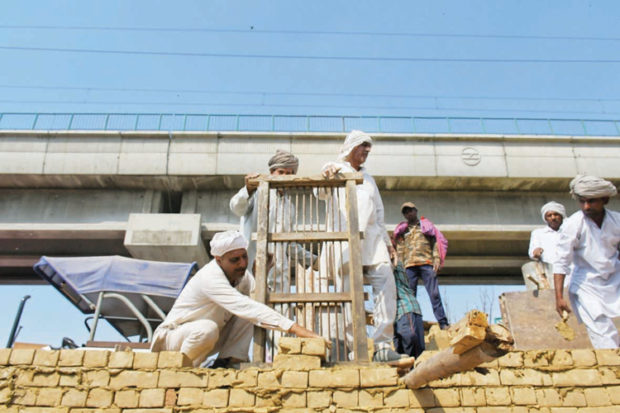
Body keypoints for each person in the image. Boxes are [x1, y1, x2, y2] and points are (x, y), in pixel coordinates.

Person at [150, 230, 322, 367]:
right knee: (208, 328)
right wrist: (298, 330)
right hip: (171, 340)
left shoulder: (242, 277)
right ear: (219, 260)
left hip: (206, 339)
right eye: (235, 260)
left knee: (251, 308)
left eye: (244, 257)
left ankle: (228, 362)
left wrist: (260, 275)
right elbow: (246, 307)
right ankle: (177, 371)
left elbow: (257, 304)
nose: (242, 264)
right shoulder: (210, 277)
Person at [321, 130, 401, 363]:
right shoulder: (335, 167)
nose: (367, 150)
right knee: (349, 295)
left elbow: (378, 213)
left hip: (374, 242)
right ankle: (352, 347)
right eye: (363, 146)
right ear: (352, 147)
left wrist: (388, 244)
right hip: (346, 243)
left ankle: (383, 345)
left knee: (387, 287)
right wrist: (327, 175)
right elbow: (321, 192)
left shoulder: (369, 178)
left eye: (369, 147)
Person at [229, 149, 316, 290]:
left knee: (280, 311)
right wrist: (248, 189)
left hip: (279, 275)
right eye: (281, 172)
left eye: (289, 174)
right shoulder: (257, 194)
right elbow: (236, 207)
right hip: (252, 271)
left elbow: (290, 244)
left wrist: (313, 260)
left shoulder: (290, 206)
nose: (284, 177)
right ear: (272, 173)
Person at [553, 175, 620, 349]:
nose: (586, 206)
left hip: (615, 278)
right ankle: (613, 371)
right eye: (582, 202)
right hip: (586, 285)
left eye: (591, 201)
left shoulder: (617, 221)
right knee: (603, 333)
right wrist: (559, 297)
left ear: (604, 199)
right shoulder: (573, 224)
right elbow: (561, 261)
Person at [393, 202, 450, 330]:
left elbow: (435, 243)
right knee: (410, 297)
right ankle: (411, 325)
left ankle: (443, 323)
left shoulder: (426, 227)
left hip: (426, 263)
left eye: (410, 210)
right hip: (409, 266)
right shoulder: (403, 231)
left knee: (434, 294)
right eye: (405, 212)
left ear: (416, 211)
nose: (408, 213)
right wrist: (399, 267)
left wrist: (436, 259)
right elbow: (400, 249)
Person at [393, 262, 425, 358]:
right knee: (400, 348)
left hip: (405, 308)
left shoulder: (394, 265)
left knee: (411, 340)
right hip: (400, 312)